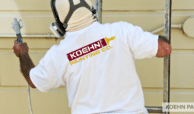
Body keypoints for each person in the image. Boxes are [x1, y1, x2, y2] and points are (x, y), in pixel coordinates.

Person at [13, 0, 171, 113]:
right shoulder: (121, 31)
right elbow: (164, 49)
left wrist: (22, 54)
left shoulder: (59, 54)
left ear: (59, 23)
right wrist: (157, 40)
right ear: (91, 8)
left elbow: (33, 80)